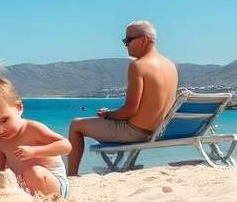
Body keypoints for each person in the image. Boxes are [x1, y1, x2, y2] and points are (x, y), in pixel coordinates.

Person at [66, 20, 178, 177]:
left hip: (135, 132)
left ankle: (71, 175)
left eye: (127, 40)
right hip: (156, 131)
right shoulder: (170, 65)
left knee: (76, 125)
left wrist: (108, 114)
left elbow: (130, 110)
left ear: (143, 40)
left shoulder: (138, 66)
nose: (125, 45)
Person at [0, 66, 72, 198]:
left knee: (33, 172)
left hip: (55, 187)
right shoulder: (0, 143)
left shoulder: (32, 129)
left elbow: (66, 146)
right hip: (26, 192)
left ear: (18, 107)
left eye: (4, 120)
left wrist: (35, 151)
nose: (0, 130)